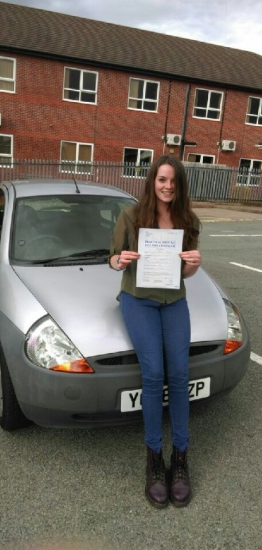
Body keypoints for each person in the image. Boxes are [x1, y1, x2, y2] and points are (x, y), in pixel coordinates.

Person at [109, 155, 201, 508]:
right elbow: (112, 257)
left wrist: (193, 266)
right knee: (154, 375)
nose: (167, 187)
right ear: (152, 181)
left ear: (180, 186)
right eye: (162, 180)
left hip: (174, 300)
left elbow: (186, 274)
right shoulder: (131, 217)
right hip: (139, 300)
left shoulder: (188, 221)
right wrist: (122, 261)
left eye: (173, 182)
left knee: (179, 374)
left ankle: (180, 458)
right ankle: (153, 458)